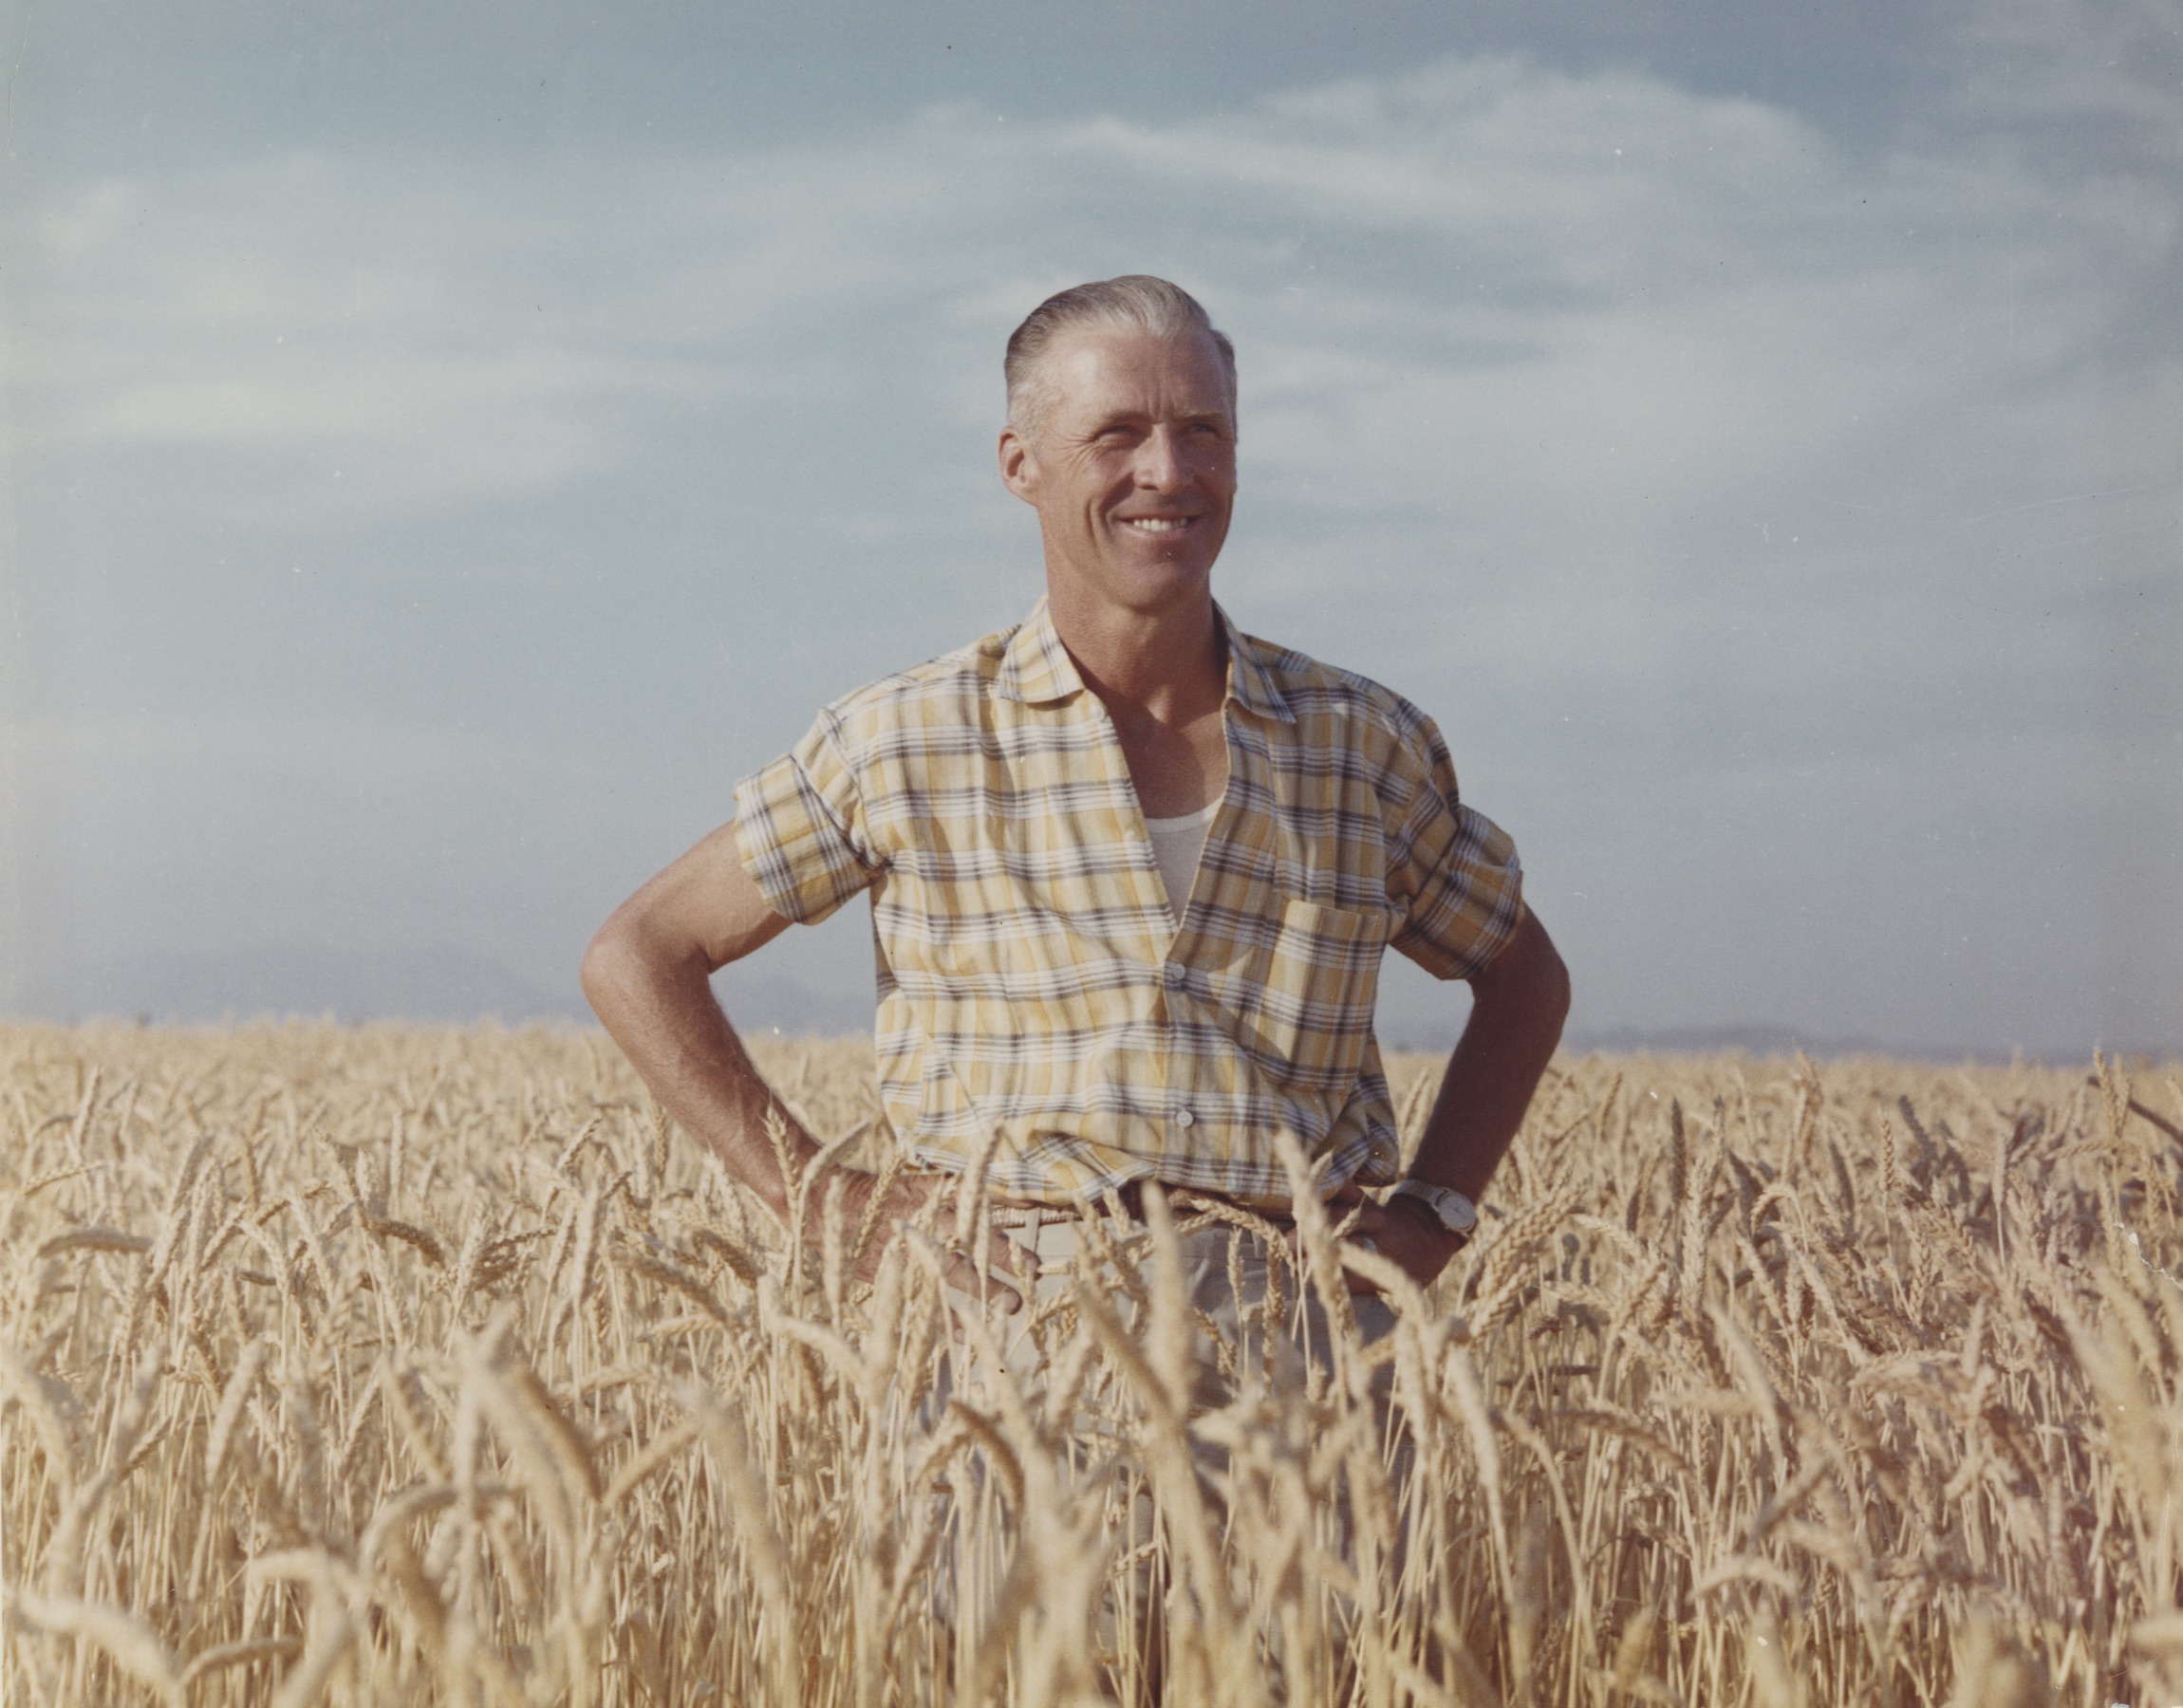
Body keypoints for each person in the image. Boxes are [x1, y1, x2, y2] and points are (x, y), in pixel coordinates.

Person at [580, 274, 1570, 1346]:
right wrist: (826, 1202)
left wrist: (1433, 1212)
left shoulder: (1358, 743)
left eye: (1203, 431)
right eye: (1118, 433)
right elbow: (640, 951)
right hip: (1009, 1341)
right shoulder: (909, 736)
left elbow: (1522, 977)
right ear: (1021, 464)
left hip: (1305, 1332)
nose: (1169, 472)